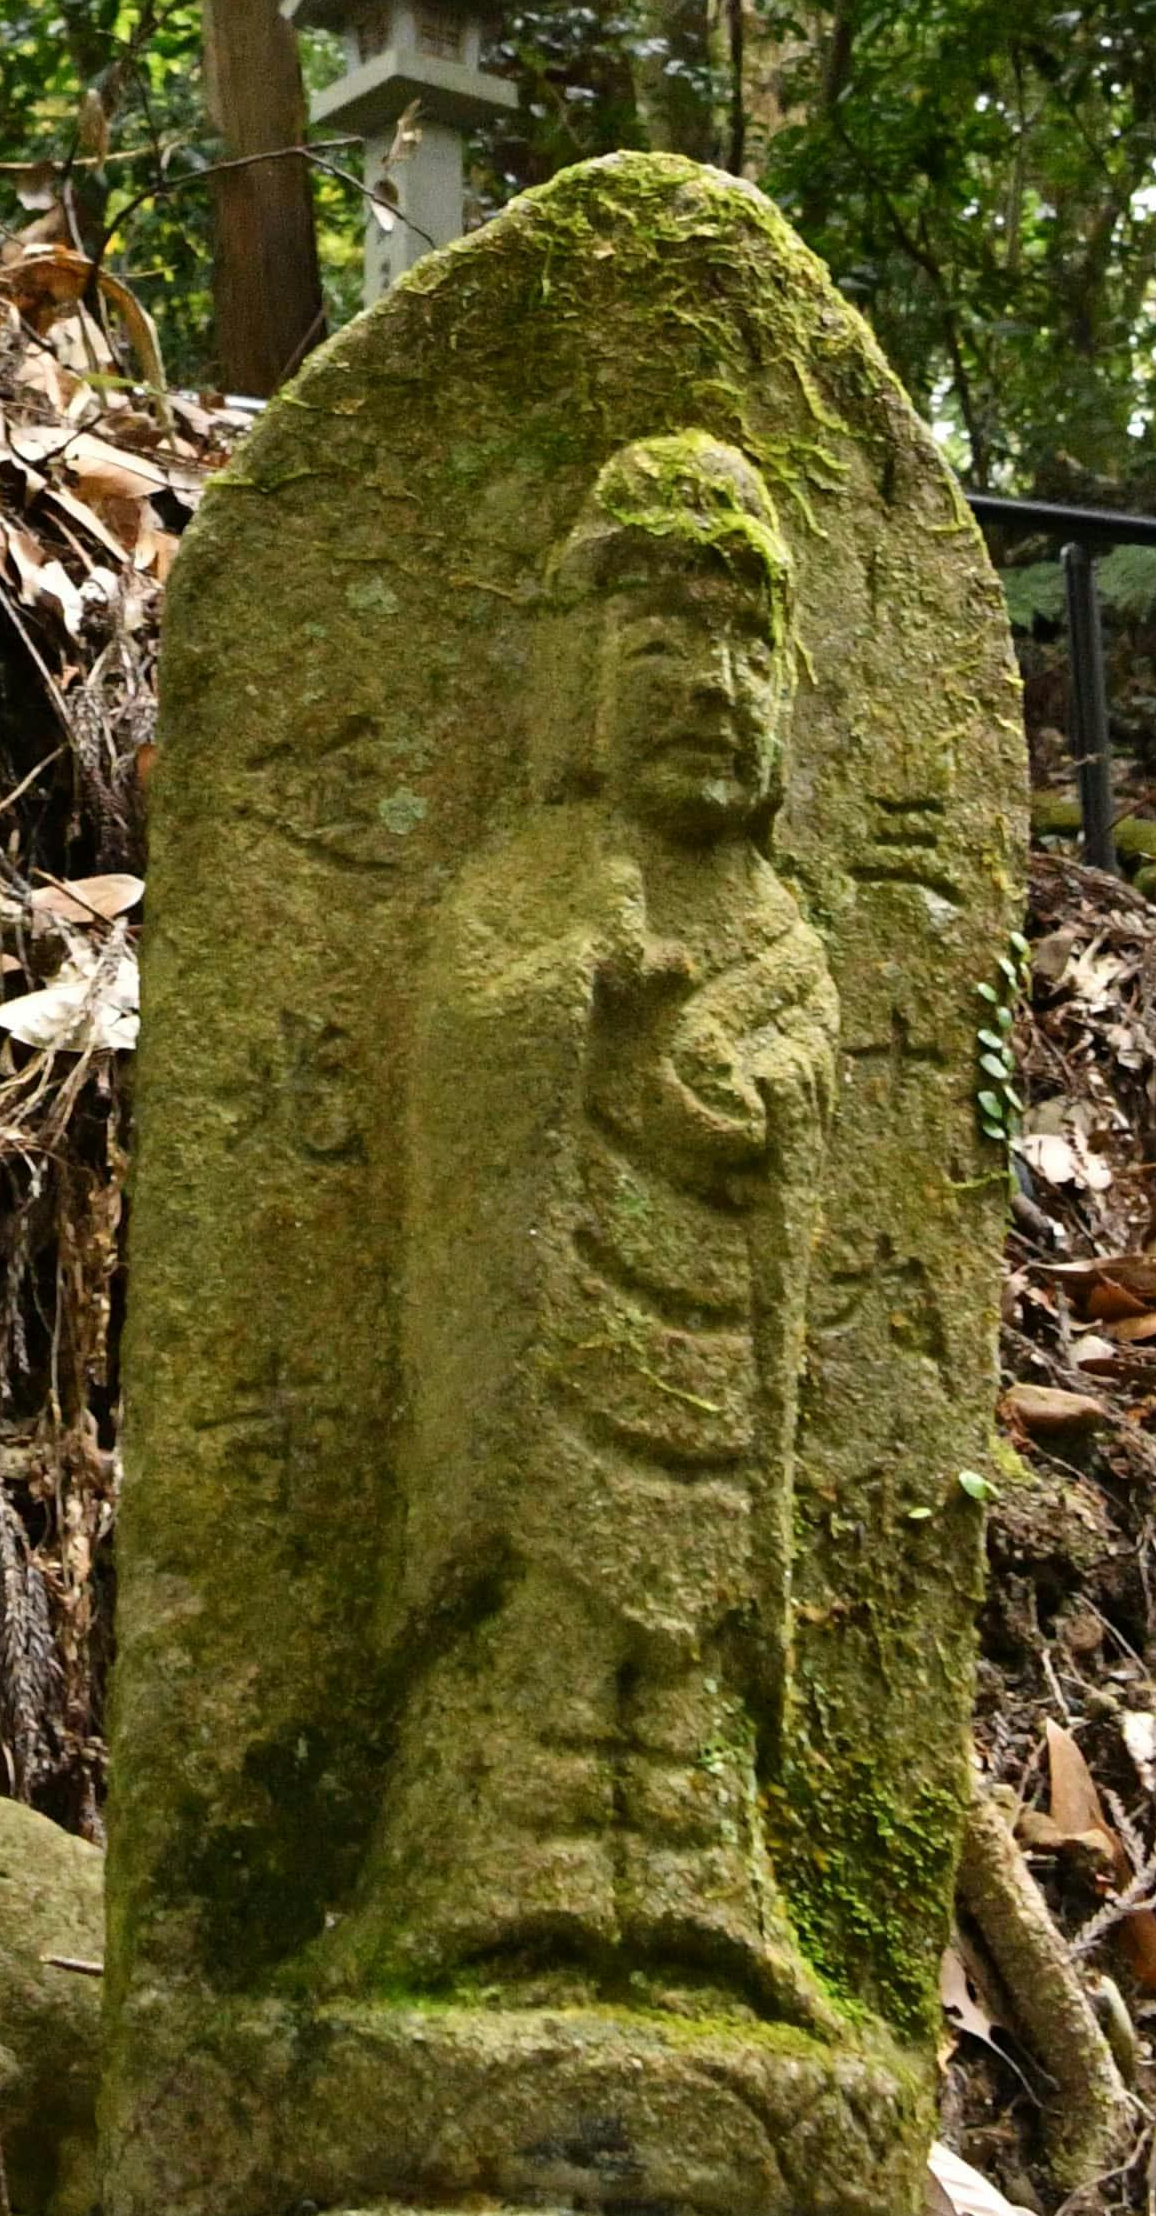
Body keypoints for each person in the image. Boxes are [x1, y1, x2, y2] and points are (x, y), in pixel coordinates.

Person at [333, 429, 842, 2025]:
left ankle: (702, 1903)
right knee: (550, 1628)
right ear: (575, 681)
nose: (710, 688)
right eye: (664, 648)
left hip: (717, 1350)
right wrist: (571, 1001)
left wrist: (757, 1103)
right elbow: (472, 1054)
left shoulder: (778, 923)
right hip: (555, 1360)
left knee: (689, 1648)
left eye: (743, 654)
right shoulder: (535, 880)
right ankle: (496, 1889)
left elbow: (803, 1059)